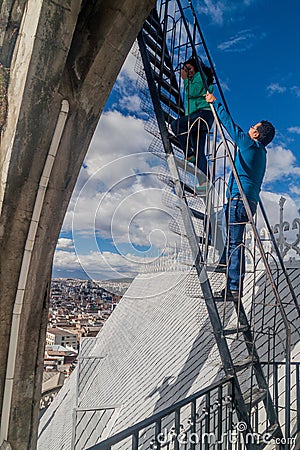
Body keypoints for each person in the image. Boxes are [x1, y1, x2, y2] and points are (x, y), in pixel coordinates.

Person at [205, 92, 275, 300]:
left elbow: (231, 127)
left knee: (235, 243)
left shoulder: (250, 145)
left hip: (238, 200)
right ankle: (225, 264)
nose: (249, 128)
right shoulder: (261, 153)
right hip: (247, 202)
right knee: (231, 237)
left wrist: (214, 104)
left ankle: (234, 287)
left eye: (253, 127)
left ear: (256, 134)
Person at [171, 57, 214, 183]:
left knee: (176, 125)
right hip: (198, 116)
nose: (187, 71)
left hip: (203, 114)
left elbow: (193, 92)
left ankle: (188, 153)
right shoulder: (193, 80)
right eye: (185, 69)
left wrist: (184, 79)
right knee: (199, 152)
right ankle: (205, 181)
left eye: (189, 68)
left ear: (195, 67)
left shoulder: (200, 76)